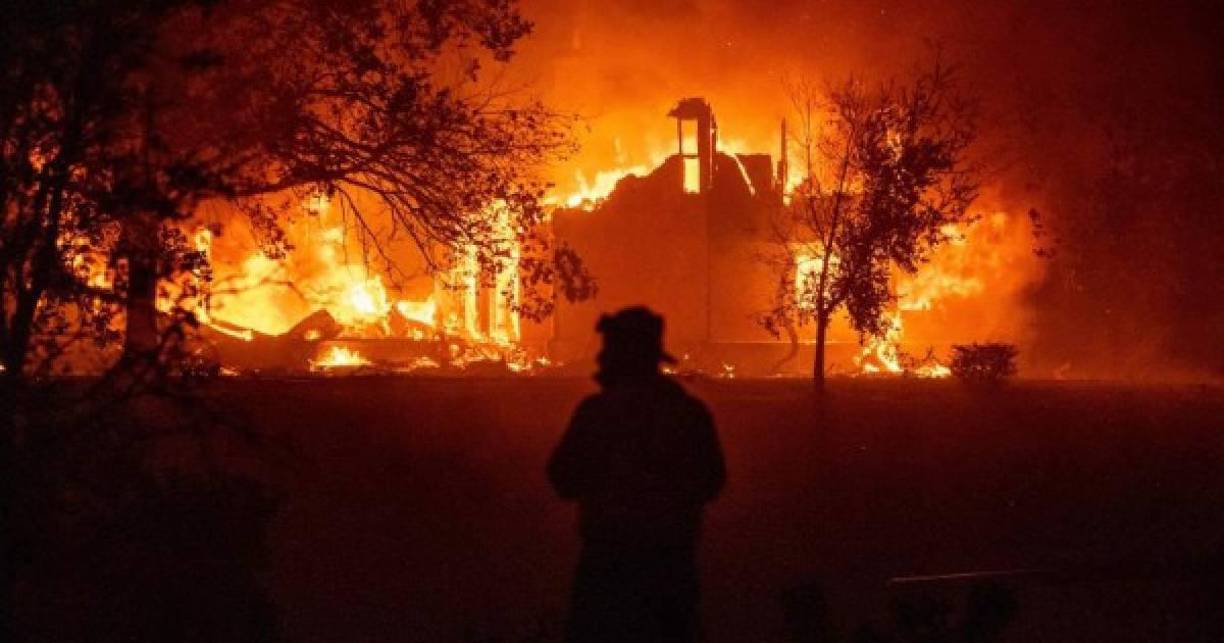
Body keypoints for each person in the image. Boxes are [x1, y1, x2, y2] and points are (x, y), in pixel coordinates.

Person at [548, 306, 726, 643]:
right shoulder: (688, 414)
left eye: (608, 350)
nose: (600, 359)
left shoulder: (597, 414)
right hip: (671, 569)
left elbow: (562, 478)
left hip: (607, 570)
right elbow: (712, 482)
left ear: (622, 356)